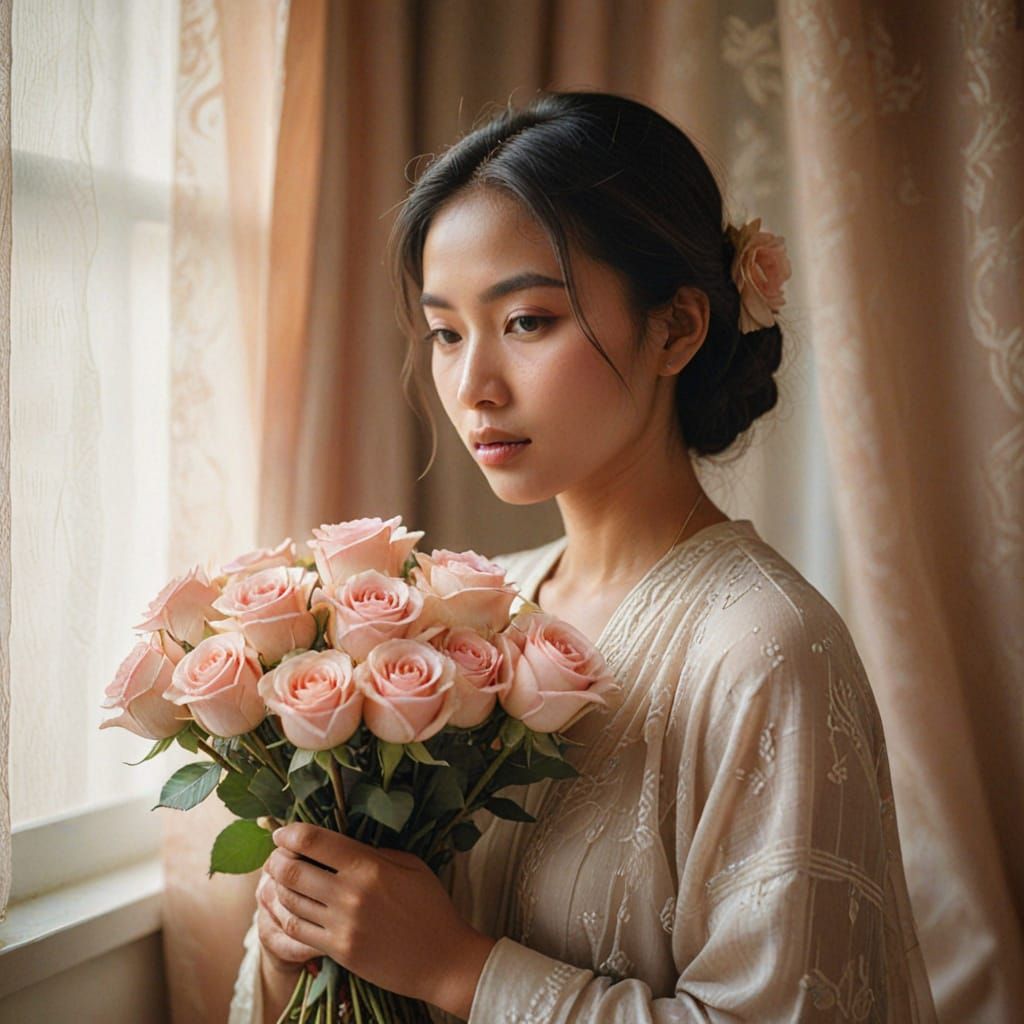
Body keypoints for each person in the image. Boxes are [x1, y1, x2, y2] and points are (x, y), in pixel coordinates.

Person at [229, 90, 937, 1023]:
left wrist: (457, 970)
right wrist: (297, 941)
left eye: (526, 321)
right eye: (447, 332)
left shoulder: (768, 649)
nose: (474, 385)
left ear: (677, 328)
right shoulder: (462, 617)